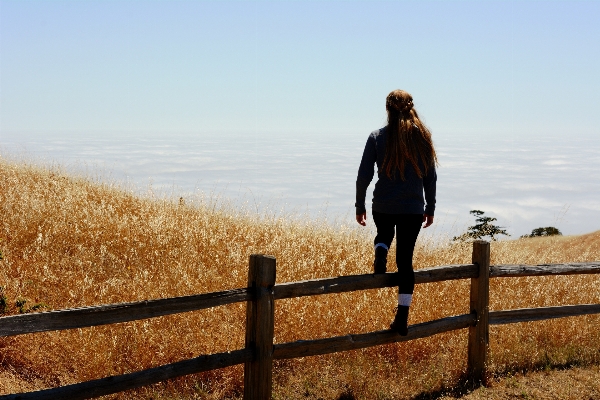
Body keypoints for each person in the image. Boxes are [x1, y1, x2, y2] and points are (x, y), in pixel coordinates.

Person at [355, 89, 437, 336]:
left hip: (383, 205)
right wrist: (430, 208)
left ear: (387, 109)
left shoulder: (376, 137)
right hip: (412, 209)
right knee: (405, 262)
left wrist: (359, 206)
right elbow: (430, 177)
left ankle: (380, 250)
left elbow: (363, 176)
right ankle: (402, 317)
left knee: (383, 232)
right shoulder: (422, 136)